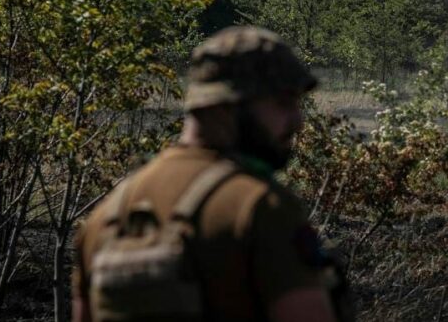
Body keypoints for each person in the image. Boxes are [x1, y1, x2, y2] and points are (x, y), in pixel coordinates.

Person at [72, 26, 353, 321]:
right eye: (282, 103)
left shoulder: (103, 220)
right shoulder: (259, 208)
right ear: (224, 107)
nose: (297, 121)